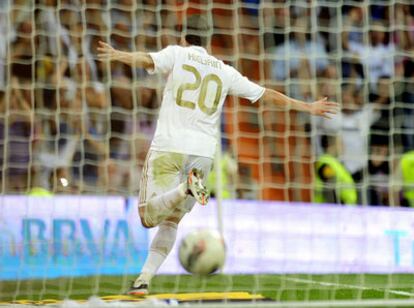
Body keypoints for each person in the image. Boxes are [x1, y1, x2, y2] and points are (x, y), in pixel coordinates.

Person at [97, 15, 338, 296]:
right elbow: (264, 94)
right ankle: (143, 280)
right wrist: (306, 106)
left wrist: (117, 55)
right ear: (209, 40)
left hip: (170, 145)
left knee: (147, 217)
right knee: (171, 221)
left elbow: (147, 60)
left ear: (183, 35)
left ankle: (182, 189)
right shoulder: (224, 70)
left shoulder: (177, 54)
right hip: (202, 154)